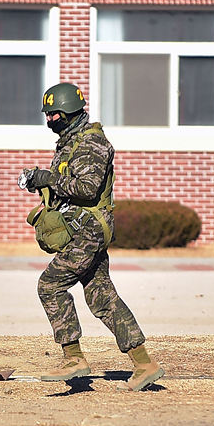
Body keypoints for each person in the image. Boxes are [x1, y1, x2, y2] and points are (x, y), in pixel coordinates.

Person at [19, 82, 164, 391]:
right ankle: (144, 364)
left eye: (54, 114)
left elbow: (87, 188)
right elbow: (68, 184)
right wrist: (40, 183)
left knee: (50, 286)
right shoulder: (70, 141)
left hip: (89, 231)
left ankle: (74, 358)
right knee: (102, 297)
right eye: (47, 115)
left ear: (69, 112)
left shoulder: (92, 142)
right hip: (81, 229)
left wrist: (49, 178)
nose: (49, 121)